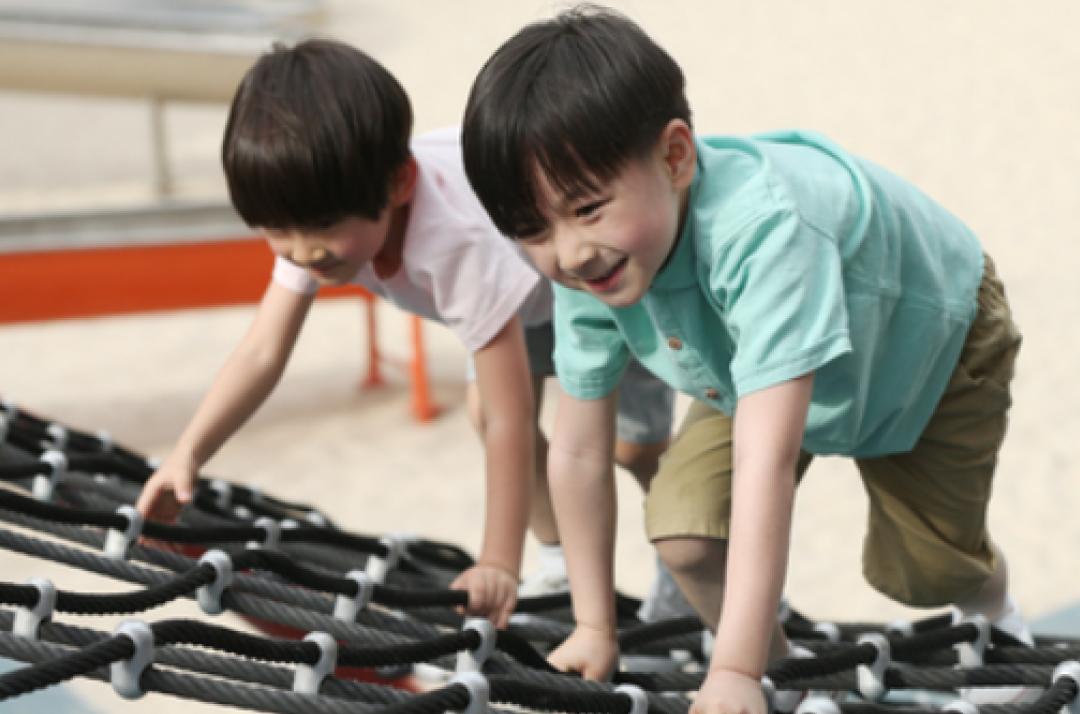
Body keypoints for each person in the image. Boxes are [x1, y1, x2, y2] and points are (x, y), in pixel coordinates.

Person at [460, 5, 1030, 711]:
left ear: (675, 158)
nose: (568, 251)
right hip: (750, 360)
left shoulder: (764, 232)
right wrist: (592, 622)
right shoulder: (589, 270)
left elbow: (767, 460)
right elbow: (577, 449)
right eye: (531, 229)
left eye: (588, 208)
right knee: (687, 532)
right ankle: (791, 677)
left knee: (928, 572)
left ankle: (1000, 617)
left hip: (926, 345)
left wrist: (724, 671)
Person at [134, 38, 676, 628]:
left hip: (597, 282)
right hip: (521, 300)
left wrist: (496, 561)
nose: (300, 251)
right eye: (275, 230)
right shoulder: (316, 211)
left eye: (317, 229)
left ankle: (688, 565)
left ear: (398, 185)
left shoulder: (451, 245)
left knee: (633, 449)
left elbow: (511, 417)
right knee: (479, 408)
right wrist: (188, 453)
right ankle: (558, 561)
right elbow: (264, 350)